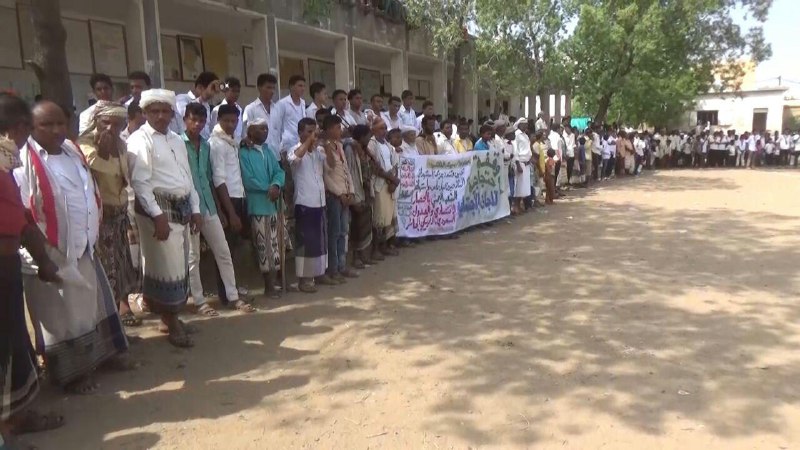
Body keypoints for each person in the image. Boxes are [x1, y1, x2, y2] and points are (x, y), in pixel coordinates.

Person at [16, 100, 130, 392]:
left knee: (88, 308)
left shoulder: (71, 150)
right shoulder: (22, 161)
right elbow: (24, 213)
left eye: (60, 123)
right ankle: (71, 375)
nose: (56, 130)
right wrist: (44, 256)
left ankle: (98, 359)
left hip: (82, 246)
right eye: (47, 125)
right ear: (30, 127)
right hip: (48, 253)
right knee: (60, 316)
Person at [1, 94, 65, 445]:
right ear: (21, 127)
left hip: (8, 266)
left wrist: (43, 260)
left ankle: (16, 416)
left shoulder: (5, 166)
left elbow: (21, 220)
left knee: (14, 342)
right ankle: (10, 423)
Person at [128, 89, 202, 348]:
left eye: (165, 111)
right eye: (154, 111)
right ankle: (171, 322)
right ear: (145, 112)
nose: (160, 116)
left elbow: (187, 177)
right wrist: (157, 216)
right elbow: (140, 182)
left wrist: (196, 208)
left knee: (179, 265)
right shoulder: (140, 140)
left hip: (181, 208)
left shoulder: (177, 140)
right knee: (165, 268)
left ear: (172, 113)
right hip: (157, 210)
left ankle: (170, 318)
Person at [182, 103, 251, 317]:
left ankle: (233, 296)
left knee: (223, 251)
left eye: (201, 121)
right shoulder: (178, 143)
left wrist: (219, 210)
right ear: (185, 120)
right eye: (193, 120)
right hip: (189, 206)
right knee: (193, 256)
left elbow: (209, 178)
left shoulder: (205, 145)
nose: (197, 124)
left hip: (209, 205)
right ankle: (199, 301)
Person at [78, 101, 141, 328]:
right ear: (96, 122)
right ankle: (108, 326)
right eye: (106, 123)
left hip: (120, 215)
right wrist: (104, 152)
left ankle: (119, 319)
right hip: (100, 220)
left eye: (117, 124)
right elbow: (96, 169)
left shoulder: (121, 145)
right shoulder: (85, 145)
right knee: (107, 272)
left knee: (122, 268)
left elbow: (124, 179)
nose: (111, 129)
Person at [239, 118, 287, 299]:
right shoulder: (243, 153)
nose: (265, 132)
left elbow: (279, 171)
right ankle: (268, 286)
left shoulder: (268, 150)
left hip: (274, 205)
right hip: (258, 205)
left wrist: (276, 184)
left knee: (277, 244)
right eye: (260, 129)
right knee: (264, 247)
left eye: (266, 129)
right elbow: (248, 179)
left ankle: (280, 282)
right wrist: (269, 188)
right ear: (250, 132)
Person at [209, 103, 248, 305]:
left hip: (238, 196)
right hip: (228, 200)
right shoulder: (216, 143)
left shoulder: (232, 141)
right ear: (218, 120)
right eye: (227, 121)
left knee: (234, 248)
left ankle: (232, 287)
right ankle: (226, 293)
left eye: (234, 121)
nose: (231, 125)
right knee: (225, 250)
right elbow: (219, 180)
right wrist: (230, 213)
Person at [288, 117, 327, 292]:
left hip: (320, 201)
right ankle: (304, 280)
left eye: (314, 131)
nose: (313, 135)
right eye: (309, 132)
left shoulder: (318, 152)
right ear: (300, 133)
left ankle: (318, 274)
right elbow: (295, 159)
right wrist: (309, 142)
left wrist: (325, 143)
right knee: (305, 242)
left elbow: (331, 163)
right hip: (304, 203)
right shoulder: (294, 149)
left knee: (318, 241)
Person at [321, 115, 357, 283]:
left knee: (343, 232)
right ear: (329, 130)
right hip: (334, 196)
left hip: (345, 194)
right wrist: (339, 193)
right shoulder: (322, 149)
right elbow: (327, 173)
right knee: (334, 233)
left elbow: (346, 170)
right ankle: (333, 268)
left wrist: (351, 191)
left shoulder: (340, 146)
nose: (340, 130)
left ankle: (342, 266)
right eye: (337, 128)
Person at [367, 118, 400, 258]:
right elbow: (374, 167)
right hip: (379, 185)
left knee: (389, 216)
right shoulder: (371, 144)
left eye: (385, 128)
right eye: (381, 128)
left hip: (390, 185)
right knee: (379, 217)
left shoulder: (388, 145)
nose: (384, 131)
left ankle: (386, 246)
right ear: (373, 129)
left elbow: (395, 165)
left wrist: (393, 182)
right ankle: (375, 249)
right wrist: (391, 179)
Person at [343, 124, 375, 268]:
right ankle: (355, 257)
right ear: (361, 137)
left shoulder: (364, 150)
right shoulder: (350, 149)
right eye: (368, 136)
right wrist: (353, 194)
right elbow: (350, 171)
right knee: (356, 226)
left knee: (365, 225)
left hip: (365, 189)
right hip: (356, 190)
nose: (369, 139)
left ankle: (363, 255)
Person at [268, 75, 307, 159]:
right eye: (300, 86)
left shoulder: (303, 103)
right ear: (291, 87)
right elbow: (276, 128)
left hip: (301, 144)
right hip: (287, 145)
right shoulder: (282, 104)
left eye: (304, 86)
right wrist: (279, 148)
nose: (303, 88)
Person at [171, 71, 220, 138]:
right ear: (200, 87)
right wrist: (202, 97)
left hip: (202, 142)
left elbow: (207, 129)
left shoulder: (206, 105)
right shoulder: (181, 99)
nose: (213, 93)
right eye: (212, 88)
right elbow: (186, 114)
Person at [209, 77, 244, 143]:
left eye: (238, 91)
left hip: (236, 145)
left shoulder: (239, 109)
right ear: (225, 91)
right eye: (233, 91)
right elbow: (212, 131)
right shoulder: (217, 110)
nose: (236, 94)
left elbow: (240, 132)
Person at [512, 118, 532, 214]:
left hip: (527, 163)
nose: (526, 126)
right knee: (519, 186)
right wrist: (517, 164)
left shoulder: (525, 135)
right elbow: (515, 150)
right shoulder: (517, 135)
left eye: (526, 124)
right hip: (520, 162)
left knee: (523, 187)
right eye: (524, 124)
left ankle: (519, 205)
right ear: (519, 125)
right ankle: (515, 206)